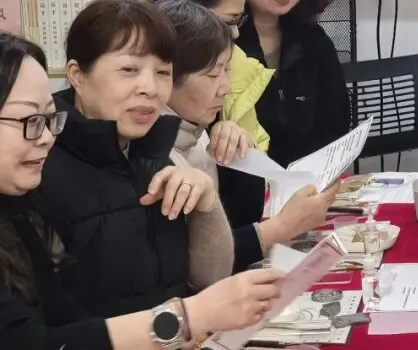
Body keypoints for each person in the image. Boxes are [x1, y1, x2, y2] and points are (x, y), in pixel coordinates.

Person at [0, 31, 285, 349]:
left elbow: (64, 317)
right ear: (77, 76)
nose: (45, 137)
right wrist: (186, 318)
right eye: (29, 119)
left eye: (48, 118)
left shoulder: (16, 208)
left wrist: (179, 325)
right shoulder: (50, 182)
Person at [31, 0, 234, 317]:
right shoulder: (38, 164)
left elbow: (209, 281)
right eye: (129, 70)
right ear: (77, 75)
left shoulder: (158, 153)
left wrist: (206, 202)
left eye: (163, 72)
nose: (149, 88)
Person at [157, 0, 337, 272]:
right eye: (213, 75)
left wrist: (239, 154)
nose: (226, 88)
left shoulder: (196, 129)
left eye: (227, 71)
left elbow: (240, 218)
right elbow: (191, 267)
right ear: (165, 77)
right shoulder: (155, 156)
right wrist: (281, 227)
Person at [149, 0, 276, 227]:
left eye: (240, 20)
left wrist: (238, 147)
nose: (235, 33)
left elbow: (255, 178)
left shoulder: (234, 63)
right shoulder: (150, 148)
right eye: (227, 21)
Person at [225, 0, 351, 167]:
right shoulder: (224, 42)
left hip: (309, 178)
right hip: (242, 179)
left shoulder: (314, 39)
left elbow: (336, 122)